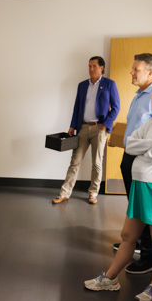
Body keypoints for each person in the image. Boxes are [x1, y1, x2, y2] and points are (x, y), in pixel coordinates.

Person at [84, 76, 152, 301]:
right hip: (142, 184)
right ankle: (111, 278)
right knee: (127, 236)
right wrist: (146, 147)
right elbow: (130, 142)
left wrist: (144, 148)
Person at [114, 53, 152, 275]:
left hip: (142, 160)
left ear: (150, 72)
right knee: (134, 205)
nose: (131, 72)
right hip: (129, 156)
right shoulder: (139, 95)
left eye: (136, 69)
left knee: (142, 208)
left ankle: (148, 256)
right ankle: (135, 243)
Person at [52, 56, 120, 205]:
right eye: (89, 66)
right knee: (74, 161)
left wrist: (105, 124)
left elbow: (116, 108)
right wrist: (73, 125)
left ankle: (93, 193)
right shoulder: (82, 85)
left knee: (97, 163)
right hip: (82, 127)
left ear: (101, 67)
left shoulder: (109, 84)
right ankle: (64, 193)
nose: (90, 69)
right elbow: (77, 106)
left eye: (94, 66)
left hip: (99, 128)